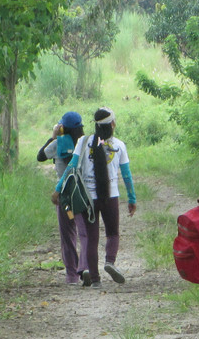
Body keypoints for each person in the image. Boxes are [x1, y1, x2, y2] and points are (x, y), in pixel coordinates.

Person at [51, 107, 136, 287]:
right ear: (112, 124)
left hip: (88, 199)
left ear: (95, 125)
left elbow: (71, 167)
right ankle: (109, 261)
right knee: (112, 233)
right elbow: (127, 176)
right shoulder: (119, 145)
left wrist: (58, 189)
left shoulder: (83, 141)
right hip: (111, 196)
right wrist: (132, 199)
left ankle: (95, 280)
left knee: (91, 238)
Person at [38, 111, 88, 285]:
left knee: (68, 235)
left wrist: (53, 136)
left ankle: (72, 275)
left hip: (64, 197)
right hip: (83, 194)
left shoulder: (57, 144)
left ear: (62, 128)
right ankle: (86, 267)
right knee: (85, 233)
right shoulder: (86, 143)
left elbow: (40, 156)